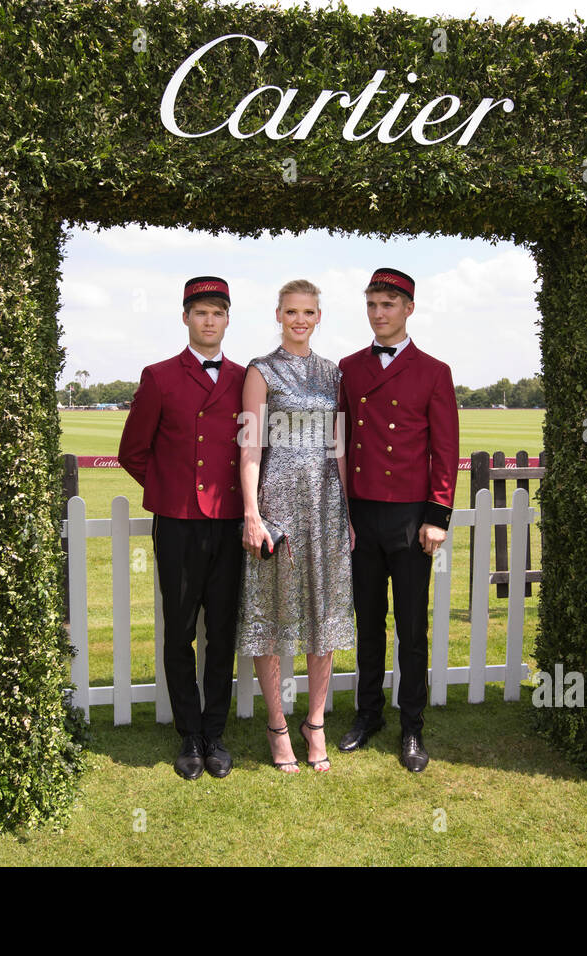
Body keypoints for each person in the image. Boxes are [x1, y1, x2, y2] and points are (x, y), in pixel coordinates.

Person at [117, 276, 245, 780]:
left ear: (227, 319)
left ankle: (215, 732)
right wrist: (172, 490)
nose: (208, 321)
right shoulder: (159, 376)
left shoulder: (243, 377)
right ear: (185, 318)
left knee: (222, 632)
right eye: (200, 312)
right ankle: (189, 734)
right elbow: (133, 451)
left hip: (231, 520)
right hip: (177, 523)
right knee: (179, 633)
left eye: (217, 312)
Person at [336, 267, 458, 772]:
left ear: (409, 308)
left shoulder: (434, 370)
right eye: (372, 304)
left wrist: (437, 515)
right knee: (368, 623)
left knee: (411, 628)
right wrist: (340, 512)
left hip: (411, 518)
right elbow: (339, 443)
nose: (379, 313)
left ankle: (412, 726)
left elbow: (444, 448)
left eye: (388, 303)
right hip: (362, 514)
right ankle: (368, 715)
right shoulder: (348, 367)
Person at [237, 279, 354, 773]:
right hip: (277, 509)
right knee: (274, 618)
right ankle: (278, 726)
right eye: (291, 311)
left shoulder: (334, 373)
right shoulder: (260, 371)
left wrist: (348, 511)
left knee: (322, 620)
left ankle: (316, 724)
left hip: (327, 507)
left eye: (308, 311)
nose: (300, 319)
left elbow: (340, 446)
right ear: (278, 315)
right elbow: (249, 447)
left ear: (319, 315)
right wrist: (251, 513)